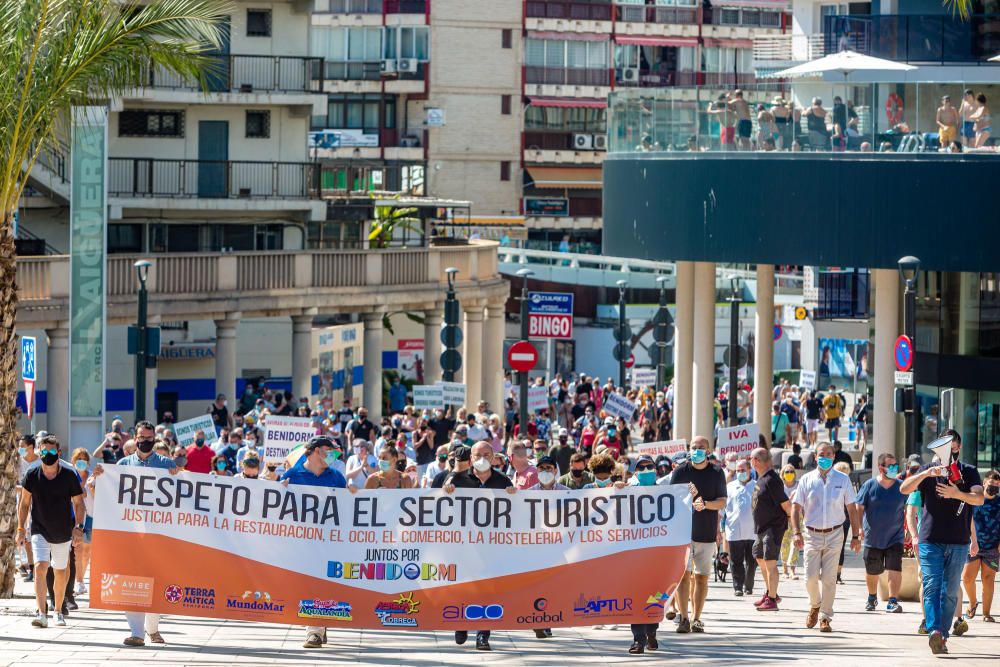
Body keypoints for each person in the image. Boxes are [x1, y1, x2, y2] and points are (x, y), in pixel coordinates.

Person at [91, 421, 178, 646]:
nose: (145, 441)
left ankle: (153, 629)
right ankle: (137, 632)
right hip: (130, 535)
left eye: (150, 438)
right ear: (135, 437)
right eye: (142, 437)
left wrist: (179, 475)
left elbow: (183, 494)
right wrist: (101, 475)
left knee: (156, 581)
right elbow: (107, 491)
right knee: (132, 582)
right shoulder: (122, 464)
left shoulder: (167, 464)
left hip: (159, 536)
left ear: (155, 439)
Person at [900, 431, 984, 654]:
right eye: (945, 446)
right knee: (931, 587)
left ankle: (942, 635)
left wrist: (957, 493)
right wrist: (925, 473)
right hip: (930, 541)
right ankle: (935, 631)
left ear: (959, 446)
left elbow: (979, 498)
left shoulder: (969, 471)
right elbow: (904, 488)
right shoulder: (928, 471)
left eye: (953, 446)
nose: (950, 450)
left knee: (950, 592)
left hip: (958, 542)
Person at [444, 441, 517, 651]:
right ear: (470, 459)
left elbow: (516, 512)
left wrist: (515, 496)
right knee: (464, 587)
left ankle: (483, 635)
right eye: (478, 455)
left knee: (488, 590)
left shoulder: (503, 481)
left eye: (487, 454)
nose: (482, 458)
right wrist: (446, 491)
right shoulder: (457, 479)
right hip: (464, 546)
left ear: (494, 458)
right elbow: (438, 504)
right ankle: (461, 623)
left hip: (491, 548)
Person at [280, 435, 349, 648]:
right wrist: (278, 487)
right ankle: (316, 627)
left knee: (321, 582)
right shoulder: (292, 475)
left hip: (329, 540)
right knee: (308, 583)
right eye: (331, 450)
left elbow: (346, 507)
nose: (334, 455)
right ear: (317, 450)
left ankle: (317, 628)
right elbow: (273, 504)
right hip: (302, 541)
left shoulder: (337, 477)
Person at [791, 441, 860, 633]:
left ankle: (825, 616)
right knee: (810, 578)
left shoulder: (843, 479)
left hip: (835, 533)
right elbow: (796, 507)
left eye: (829, 454)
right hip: (811, 534)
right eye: (822, 454)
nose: (826, 457)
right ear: (815, 457)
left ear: (834, 456)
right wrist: (796, 532)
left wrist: (856, 535)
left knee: (829, 579)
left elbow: (851, 508)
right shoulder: (806, 479)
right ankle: (815, 604)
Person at [17, 435, 85, 629]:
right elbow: (24, 504)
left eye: (52, 451)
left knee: (60, 571)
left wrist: (78, 528)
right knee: (40, 566)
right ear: (39, 451)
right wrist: (21, 528)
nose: (48, 455)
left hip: (63, 530)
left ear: (59, 452)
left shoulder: (69, 475)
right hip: (39, 528)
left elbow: (79, 504)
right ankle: (41, 612)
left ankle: (57, 611)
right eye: (44, 451)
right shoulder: (32, 474)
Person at [661, 436, 727, 633]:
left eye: (701, 447)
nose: (697, 450)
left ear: (708, 451)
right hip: (683, 533)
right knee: (683, 576)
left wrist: (705, 504)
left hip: (705, 533)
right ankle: (684, 617)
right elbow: (670, 499)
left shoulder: (716, 472)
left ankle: (697, 618)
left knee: (702, 577)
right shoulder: (681, 471)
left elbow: (722, 501)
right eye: (693, 447)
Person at [855, 453, 907, 613]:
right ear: (881, 467)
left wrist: (910, 529)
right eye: (890, 466)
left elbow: (909, 507)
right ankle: (872, 597)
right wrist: (859, 528)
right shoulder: (869, 485)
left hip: (895, 536)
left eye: (895, 465)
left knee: (895, 568)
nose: (894, 468)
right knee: (872, 570)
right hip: (873, 537)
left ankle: (892, 601)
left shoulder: (902, 486)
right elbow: (859, 507)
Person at [627, 455, 660, 654]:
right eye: (642, 467)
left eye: (649, 466)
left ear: (655, 469)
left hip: (658, 554)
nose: (646, 469)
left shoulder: (668, 490)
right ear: (636, 471)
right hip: (634, 553)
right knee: (636, 595)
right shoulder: (629, 491)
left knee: (654, 594)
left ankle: (652, 632)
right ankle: (637, 639)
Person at [751, 447, 791, 611]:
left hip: (772, 528)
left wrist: (795, 528)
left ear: (756, 461)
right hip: (762, 528)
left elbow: (786, 504)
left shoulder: (772, 480)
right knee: (759, 557)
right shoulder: (762, 478)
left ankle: (772, 599)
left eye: (751, 459)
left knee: (770, 563)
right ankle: (770, 592)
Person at [962, 470, 999, 622]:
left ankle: (986, 613)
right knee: (967, 578)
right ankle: (972, 602)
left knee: (988, 579)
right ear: (984, 483)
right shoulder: (974, 500)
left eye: (998, 485)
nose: (994, 487)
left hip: (993, 546)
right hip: (973, 544)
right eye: (992, 484)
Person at [724, 459, 757, 598]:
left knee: (752, 561)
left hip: (753, 531)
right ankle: (737, 586)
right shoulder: (729, 487)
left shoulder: (757, 486)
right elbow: (722, 509)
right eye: (738, 470)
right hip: (734, 530)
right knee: (736, 561)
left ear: (750, 470)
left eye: (743, 470)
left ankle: (748, 585)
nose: (740, 473)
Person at [69, 449, 94, 596]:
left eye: (84, 458)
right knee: (77, 550)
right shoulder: (69, 475)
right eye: (79, 458)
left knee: (86, 551)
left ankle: (81, 581)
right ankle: (78, 582)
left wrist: (89, 488)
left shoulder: (94, 476)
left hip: (90, 515)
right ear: (73, 460)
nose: (82, 461)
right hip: (74, 516)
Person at [779, 465, 801, 579]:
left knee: (796, 542)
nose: (789, 473)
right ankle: (785, 570)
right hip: (783, 518)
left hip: (798, 517)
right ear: (782, 474)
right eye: (787, 471)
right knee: (784, 543)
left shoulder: (799, 485)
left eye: (792, 471)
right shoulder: (780, 487)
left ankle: (793, 570)